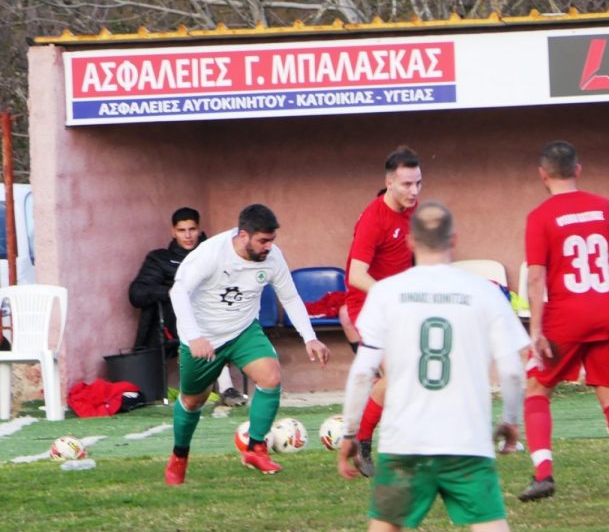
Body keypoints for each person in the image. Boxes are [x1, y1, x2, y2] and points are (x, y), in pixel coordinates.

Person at [337, 202, 528, 532]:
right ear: (454, 239)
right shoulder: (484, 292)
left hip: (404, 444)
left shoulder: (387, 292)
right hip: (466, 442)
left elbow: (363, 372)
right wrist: (509, 419)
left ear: (409, 241)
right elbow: (513, 371)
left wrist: (349, 432)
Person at [164, 204, 330, 484]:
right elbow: (178, 292)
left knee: (271, 376)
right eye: (263, 241)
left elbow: (289, 296)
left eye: (271, 240)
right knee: (194, 401)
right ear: (243, 236)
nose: (268, 247)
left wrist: (309, 337)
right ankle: (179, 457)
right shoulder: (210, 254)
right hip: (203, 335)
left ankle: (256, 449)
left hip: (243, 330)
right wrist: (194, 336)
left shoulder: (273, 257)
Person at [520, 140, 609, 501]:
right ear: (577, 169)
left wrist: (536, 331)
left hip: (565, 315)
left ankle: (543, 473)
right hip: (605, 311)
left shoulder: (539, 216)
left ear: (543, 175)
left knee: (538, 388)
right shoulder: (605, 207)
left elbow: (536, 278)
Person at [344, 147, 421, 476]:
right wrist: (392, 297)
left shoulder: (412, 213)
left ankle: (377, 442)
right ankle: (361, 442)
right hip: (370, 307)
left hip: (399, 306)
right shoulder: (374, 218)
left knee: (408, 378)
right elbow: (356, 275)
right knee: (399, 375)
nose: (414, 191)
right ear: (389, 183)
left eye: (418, 183)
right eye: (406, 184)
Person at [129, 207, 245, 407]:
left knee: (217, 322)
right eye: (182, 230)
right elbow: (137, 293)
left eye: (192, 229)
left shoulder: (214, 254)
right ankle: (214, 389)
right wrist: (175, 292)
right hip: (174, 320)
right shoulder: (160, 259)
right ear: (173, 232)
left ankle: (226, 388)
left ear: (199, 230)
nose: (188, 235)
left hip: (217, 316)